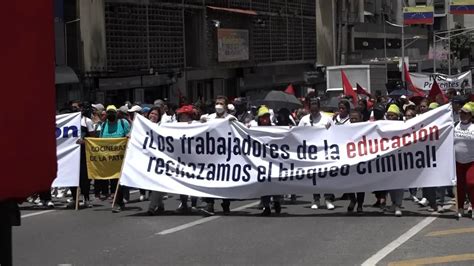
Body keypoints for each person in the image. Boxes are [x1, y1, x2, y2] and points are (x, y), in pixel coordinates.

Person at [298, 95, 335, 210]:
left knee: (326, 176)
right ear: (309, 108)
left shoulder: (327, 119)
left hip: (325, 152)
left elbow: (335, 133)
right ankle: (316, 200)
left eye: (316, 108)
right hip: (311, 154)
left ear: (319, 108)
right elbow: (297, 133)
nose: (314, 110)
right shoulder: (304, 120)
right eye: (312, 108)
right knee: (314, 177)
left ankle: (328, 199)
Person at [200, 96, 235, 215]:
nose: (218, 105)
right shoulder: (208, 118)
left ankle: (226, 203)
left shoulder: (231, 118)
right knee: (210, 179)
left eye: (221, 103)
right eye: (217, 103)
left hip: (225, 154)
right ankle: (209, 204)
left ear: (226, 106)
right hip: (211, 154)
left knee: (224, 180)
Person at [99, 105, 131, 213]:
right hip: (108, 159)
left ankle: (118, 202)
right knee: (111, 180)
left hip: (121, 158)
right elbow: (99, 141)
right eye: (109, 113)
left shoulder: (123, 123)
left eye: (112, 112)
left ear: (116, 113)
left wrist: (127, 137)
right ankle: (117, 200)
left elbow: (130, 135)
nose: (110, 115)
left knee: (118, 181)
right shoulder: (103, 125)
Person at [254, 106, 282, 216]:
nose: (265, 119)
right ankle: (266, 207)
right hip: (261, 161)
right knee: (264, 184)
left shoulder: (276, 128)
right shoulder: (254, 129)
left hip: (274, 160)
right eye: (262, 117)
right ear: (259, 119)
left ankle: (276, 201)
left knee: (275, 183)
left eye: (266, 116)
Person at [69, 101, 95, 208]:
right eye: (73, 108)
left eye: (76, 107)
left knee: (84, 177)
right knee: (71, 175)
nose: (74, 109)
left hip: (83, 153)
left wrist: (84, 142)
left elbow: (93, 139)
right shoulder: (68, 121)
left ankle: (86, 198)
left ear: (81, 109)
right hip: (71, 154)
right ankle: (75, 198)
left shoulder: (87, 121)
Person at [174, 105, 199, 212]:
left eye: (186, 116)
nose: (183, 118)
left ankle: (193, 204)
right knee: (181, 182)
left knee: (193, 182)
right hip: (179, 159)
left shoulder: (196, 125)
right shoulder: (174, 126)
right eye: (181, 116)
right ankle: (184, 203)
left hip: (193, 159)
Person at [454, 102, 474, 219]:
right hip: (457, 162)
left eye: (465, 113)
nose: (462, 115)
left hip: (471, 161)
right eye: (461, 112)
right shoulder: (455, 125)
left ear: (471, 115)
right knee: (460, 186)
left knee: (471, 183)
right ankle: (460, 207)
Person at [384, 104, 404, 217]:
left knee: (399, 182)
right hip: (388, 157)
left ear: (397, 116)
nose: (390, 117)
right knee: (390, 182)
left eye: (392, 115)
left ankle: (398, 205)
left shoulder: (402, 126)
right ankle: (393, 203)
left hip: (400, 157)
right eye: (388, 115)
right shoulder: (384, 125)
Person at [347, 109, 365, 213]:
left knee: (360, 184)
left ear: (361, 118)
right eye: (351, 119)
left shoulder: (366, 128)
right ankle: (352, 200)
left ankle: (360, 204)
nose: (353, 120)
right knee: (348, 182)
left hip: (361, 159)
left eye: (355, 119)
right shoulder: (345, 129)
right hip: (348, 159)